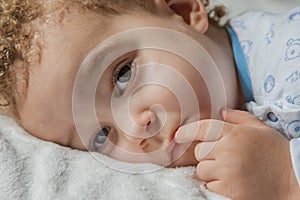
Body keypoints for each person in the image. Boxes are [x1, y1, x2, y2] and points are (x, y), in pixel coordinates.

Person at [0, 0, 299, 199]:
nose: (134, 129)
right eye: (102, 136)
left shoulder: (289, 56)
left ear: (182, 10)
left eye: (123, 75)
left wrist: (286, 175)